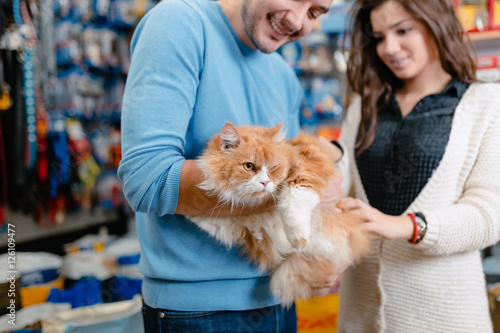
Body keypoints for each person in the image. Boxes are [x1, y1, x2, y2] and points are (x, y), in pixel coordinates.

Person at [117, 0, 345, 331]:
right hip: (199, 312)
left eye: (314, 12)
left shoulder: (283, 75)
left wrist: (319, 252)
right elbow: (147, 180)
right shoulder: (178, 23)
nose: (297, 21)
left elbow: (291, 192)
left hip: (280, 297)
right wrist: (300, 195)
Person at [332, 0, 500, 332]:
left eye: (403, 30)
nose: (389, 48)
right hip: (359, 314)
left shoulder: (487, 104)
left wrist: (404, 226)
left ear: (436, 24)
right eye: (379, 37)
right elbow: (339, 186)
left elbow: (488, 215)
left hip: (447, 317)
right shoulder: (363, 107)